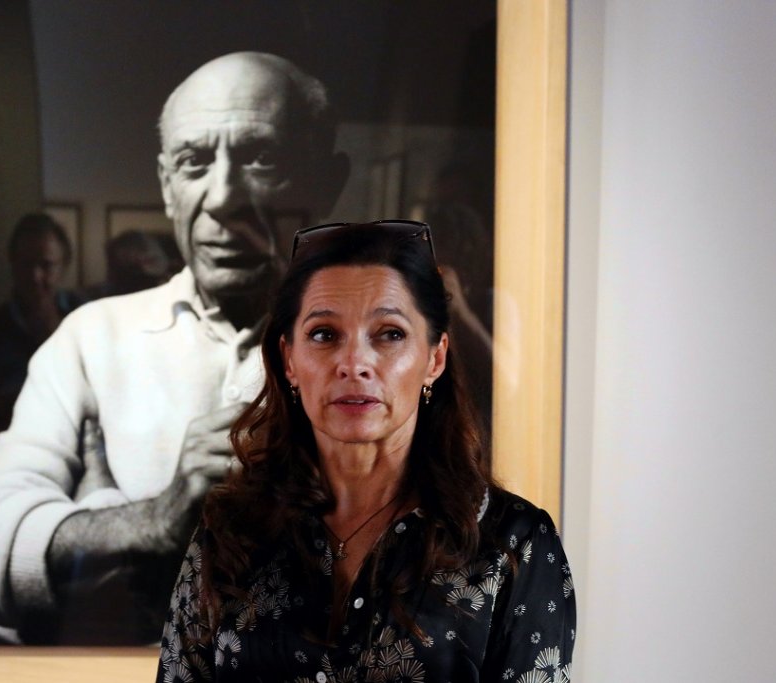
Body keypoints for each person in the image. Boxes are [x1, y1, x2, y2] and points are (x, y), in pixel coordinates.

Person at [0, 52, 349, 644]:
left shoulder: (388, 353)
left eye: (262, 158)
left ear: (327, 182)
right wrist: (148, 524)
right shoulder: (92, 339)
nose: (223, 197)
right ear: (166, 186)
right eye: (193, 162)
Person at [157, 221, 575, 682]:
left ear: (434, 358)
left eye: (389, 333)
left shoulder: (512, 545)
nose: (354, 364)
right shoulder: (231, 531)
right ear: (289, 360)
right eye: (324, 334)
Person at [0, 213, 83, 454]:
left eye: (46, 265)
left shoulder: (85, 322)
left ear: (63, 266)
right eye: (26, 264)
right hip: (9, 461)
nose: (35, 277)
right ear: (12, 264)